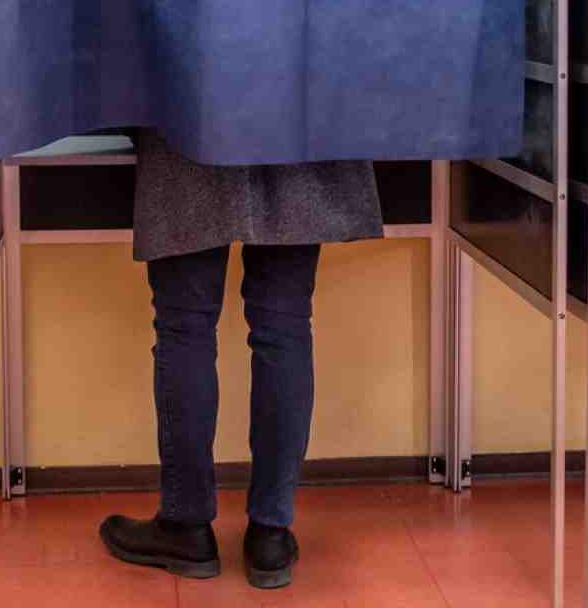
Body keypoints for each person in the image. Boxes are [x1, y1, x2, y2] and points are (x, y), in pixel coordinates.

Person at [98, 130, 382, 590]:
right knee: (283, 324)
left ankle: (185, 526)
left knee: (185, 326)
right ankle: (271, 535)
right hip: (293, 128)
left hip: (187, 123)